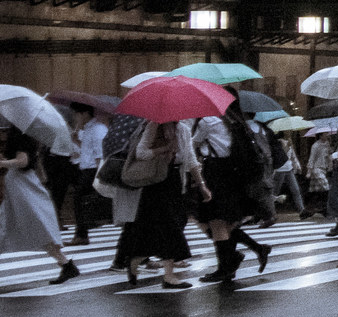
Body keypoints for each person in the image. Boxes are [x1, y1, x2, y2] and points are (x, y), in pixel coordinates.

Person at [192, 104, 273, 288]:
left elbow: (193, 144)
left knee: (216, 221)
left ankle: (226, 266)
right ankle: (250, 252)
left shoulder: (207, 121)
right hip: (233, 174)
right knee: (222, 222)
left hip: (215, 172)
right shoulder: (233, 121)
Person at [117, 118, 194, 289]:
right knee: (170, 227)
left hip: (175, 181)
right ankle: (169, 275)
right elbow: (140, 153)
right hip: (156, 181)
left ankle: (135, 259)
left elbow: (190, 158)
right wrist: (165, 149)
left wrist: (201, 184)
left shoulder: (183, 129)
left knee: (161, 227)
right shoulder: (154, 125)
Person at [0, 120, 78, 284]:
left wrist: (3, 163)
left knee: (33, 226)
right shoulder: (28, 136)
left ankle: (65, 264)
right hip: (20, 185)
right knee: (31, 226)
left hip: (21, 187)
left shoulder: (21, 136)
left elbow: (23, 161)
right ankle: (65, 264)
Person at [65, 102, 108, 245]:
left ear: (84, 114)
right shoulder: (89, 128)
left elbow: (99, 154)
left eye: (76, 114)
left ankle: (82, 233)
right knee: (80, 199)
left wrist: (99, 175)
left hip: (93, 170)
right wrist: (76, 140)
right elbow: (87, 149)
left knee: (80, 198)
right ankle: (83, 232)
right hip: (87, 169)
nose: (75, 118)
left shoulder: (97, 129)